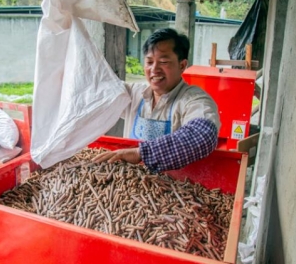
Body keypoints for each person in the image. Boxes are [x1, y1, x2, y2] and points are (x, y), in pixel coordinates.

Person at [93, 28, 220, 172]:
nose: (154, 69)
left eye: (164, 62)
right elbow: (97, 90)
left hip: (174, 185)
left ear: (182, 65)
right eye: (149, 62)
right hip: (130, 180)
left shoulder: (195, 100)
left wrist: (140, 153)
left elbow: (203, 135)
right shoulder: (134, 93)